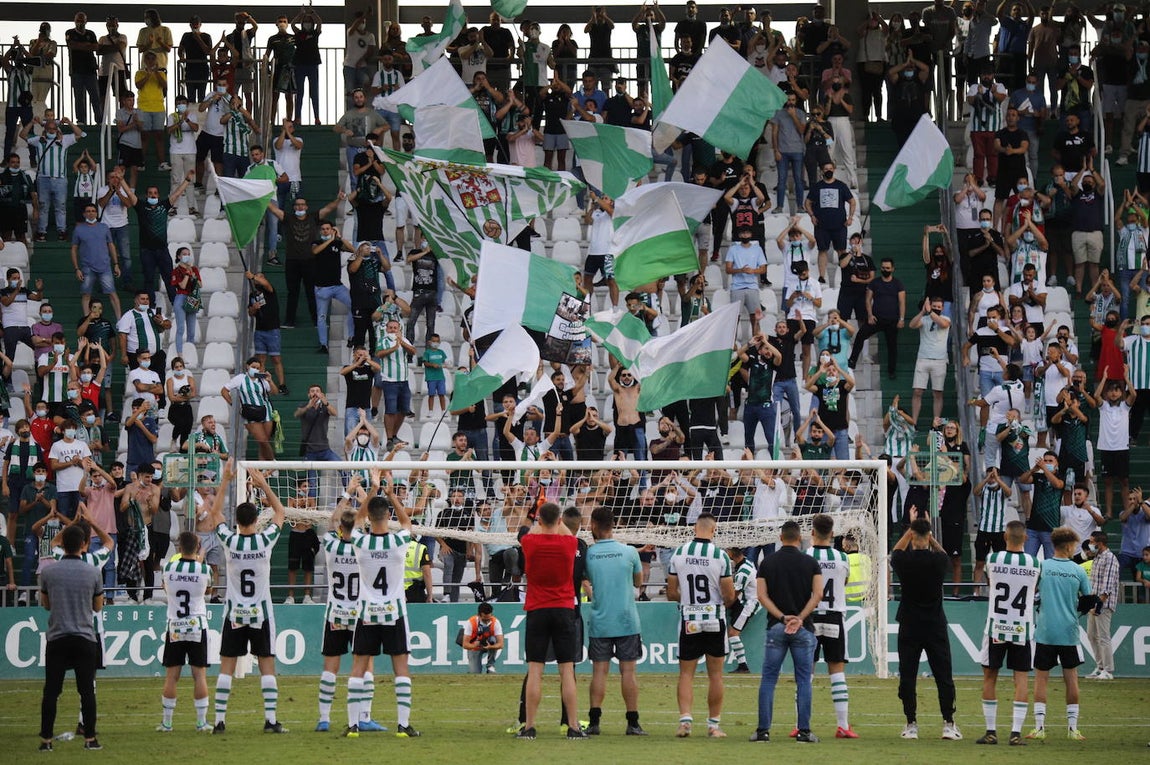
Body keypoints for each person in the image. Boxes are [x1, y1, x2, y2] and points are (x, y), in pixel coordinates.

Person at [205, 463, 287, 734]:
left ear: (237, 522)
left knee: (226, 668)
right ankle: (271, 720)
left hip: (235, 614)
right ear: (255, 520)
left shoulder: (230, 540)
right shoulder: (265, 541)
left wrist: (226, 480)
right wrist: (262, 483)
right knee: (267, 666)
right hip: (261, 614)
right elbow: (280, 512)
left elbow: (215, 513)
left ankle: (219, 722)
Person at [345, 478, 420, 738]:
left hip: (366, 614)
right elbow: (408, 524)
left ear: (368, 516)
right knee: (401, 668)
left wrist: (372, 493)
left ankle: (353, 726)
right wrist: (391, 494)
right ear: (388, 515)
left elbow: (355, 523)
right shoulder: (399, 542)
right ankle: (403, 725)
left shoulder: (361, 543)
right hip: (394, 612)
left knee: (358, 667)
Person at [749, 519, 823, 744]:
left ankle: (763, 731)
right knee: (803, 680)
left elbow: (762, 596)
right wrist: (799, 618)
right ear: (799, 538)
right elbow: (818, 594)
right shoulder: (811, 563)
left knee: (769, 678)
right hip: (803, 627)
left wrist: (782, 617)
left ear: (780, 538)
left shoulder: (768, 563)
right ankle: (804, 731)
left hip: (776, 626)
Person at [515, 501, 585, 740]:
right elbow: (562, 528)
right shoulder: (569, 543)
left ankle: (529, 726)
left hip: (537, 609)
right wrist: (557, 521)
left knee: (535, 670)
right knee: (567, 670)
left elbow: (527, 530)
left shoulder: (530, 542)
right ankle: (573, 726)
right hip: (564, 608)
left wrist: (538, 518)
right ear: (559, 521)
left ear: (540, 521)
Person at [890, 514, 961, 741]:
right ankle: (948, 723)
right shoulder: (938, 562)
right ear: (929, 537)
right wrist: (928, 534)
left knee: (908, 676)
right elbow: (943, 554)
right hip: (934, 625)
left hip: (910, 625)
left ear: (911, 536)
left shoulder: (904, 561)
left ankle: (911, 724)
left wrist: (910, 529)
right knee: (943, 676)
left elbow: (895, 553)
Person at [666, 513, 736, 738]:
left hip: (690, 619)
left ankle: (685, 722)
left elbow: (670, 592)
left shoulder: (679, 553)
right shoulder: (721, 556)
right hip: (714, 618)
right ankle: (713, 725)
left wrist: (688, 601)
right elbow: (730, 596)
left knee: (686, 674)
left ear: (694, 528)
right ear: (714, 529)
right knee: (715, 675)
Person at [37, 523, 104, 752]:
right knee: (86, 691)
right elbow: (97, 607)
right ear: (84, 544)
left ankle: (46, 740)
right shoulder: (93, 572)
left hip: (57, 636)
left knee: (51, 691)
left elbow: (46, 605)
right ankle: (90, 739)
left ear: (62, 544)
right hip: (84, 636)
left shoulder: (48, 572)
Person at [582, 505, 645, 736]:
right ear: (613, 524)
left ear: (594, 526)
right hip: (627, 619)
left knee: (599, 672)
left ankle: (595, 722)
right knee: (628, 672)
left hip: (600, 620)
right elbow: (638, 582)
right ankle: (633, 723)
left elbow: (583, 578)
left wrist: (591, 588)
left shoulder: (589, 553)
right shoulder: (629, 552)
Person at [977, 519, 1039, 746]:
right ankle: (1015, 733)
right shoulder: (1034, 563)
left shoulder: (993, 559)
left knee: (989, 676)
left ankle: (991, 732)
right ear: (1026, 538)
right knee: (1020, 679)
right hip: (1022, 627)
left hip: (996, 626)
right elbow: (1034, 589)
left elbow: (991, 584)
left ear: (1005, 537)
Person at [1027, 526, 1091, 741]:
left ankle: (1039, 728)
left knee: (1041, 680)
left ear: (1053, 545)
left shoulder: (1042, 566)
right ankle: (1073, 729)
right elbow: (1088, 602)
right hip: (1069, 632)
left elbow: (1031, 592)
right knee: (1071, 679)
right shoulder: (1079, 570)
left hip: (1045, 631)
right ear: (1070, 546)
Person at [806, 513, 857, 737]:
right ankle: (843, 725)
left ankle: (801, 724)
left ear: (812, 533)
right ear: (833, 534)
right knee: (837, 673)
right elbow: (843, 582)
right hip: (835, 616)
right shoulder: (842, 558)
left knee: (806, 672)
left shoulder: (806, 555)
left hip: (810, 616)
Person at [157, 531, 213, 733]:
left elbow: (165, 588)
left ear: (179, 547)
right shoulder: (204, 569)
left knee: (172, 676)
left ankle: (167, 723)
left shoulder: (169, 567)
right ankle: (201, 722)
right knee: (199, 675)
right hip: (197, 624)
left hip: (175, 626)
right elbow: (208, 591)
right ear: (197, 548)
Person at [848, 257, 907, 378]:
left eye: (888, 268)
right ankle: (852, 360)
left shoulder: (898, 284)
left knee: (892, 346)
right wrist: (869, 315)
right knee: (860, 335)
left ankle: (892, 371)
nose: (885, 270)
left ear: (893, 269)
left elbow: (902, 302)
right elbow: (868, 300)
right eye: (883, 268)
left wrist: (901, 319)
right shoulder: (874, 283)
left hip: (892, 320)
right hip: (876, 319)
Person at [804, 161, 856, 283]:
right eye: (826, 168)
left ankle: (844, 276)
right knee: (822, 250)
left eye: (830, 168)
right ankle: (822, 276)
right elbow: (807, 203)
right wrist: (811, 215)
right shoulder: (817, 187)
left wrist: (850, 217)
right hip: (821, 226)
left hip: (840, 225)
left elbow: (852, 202)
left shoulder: (841, 186)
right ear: (822, 171)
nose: (828, 170)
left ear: (834, 170)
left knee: (841, 250)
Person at [1084, 530, 1119, 680]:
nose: (1090, 545)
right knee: (1091, 636)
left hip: (1103, 605)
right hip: (1094, 604)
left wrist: (1098, 605)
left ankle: (1108, 670)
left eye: (1092, 542)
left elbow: (1107, 585)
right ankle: (1100, 667)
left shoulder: (1110, 558)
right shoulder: (1097, 557)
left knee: (1103, 637)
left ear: (1100, 543)